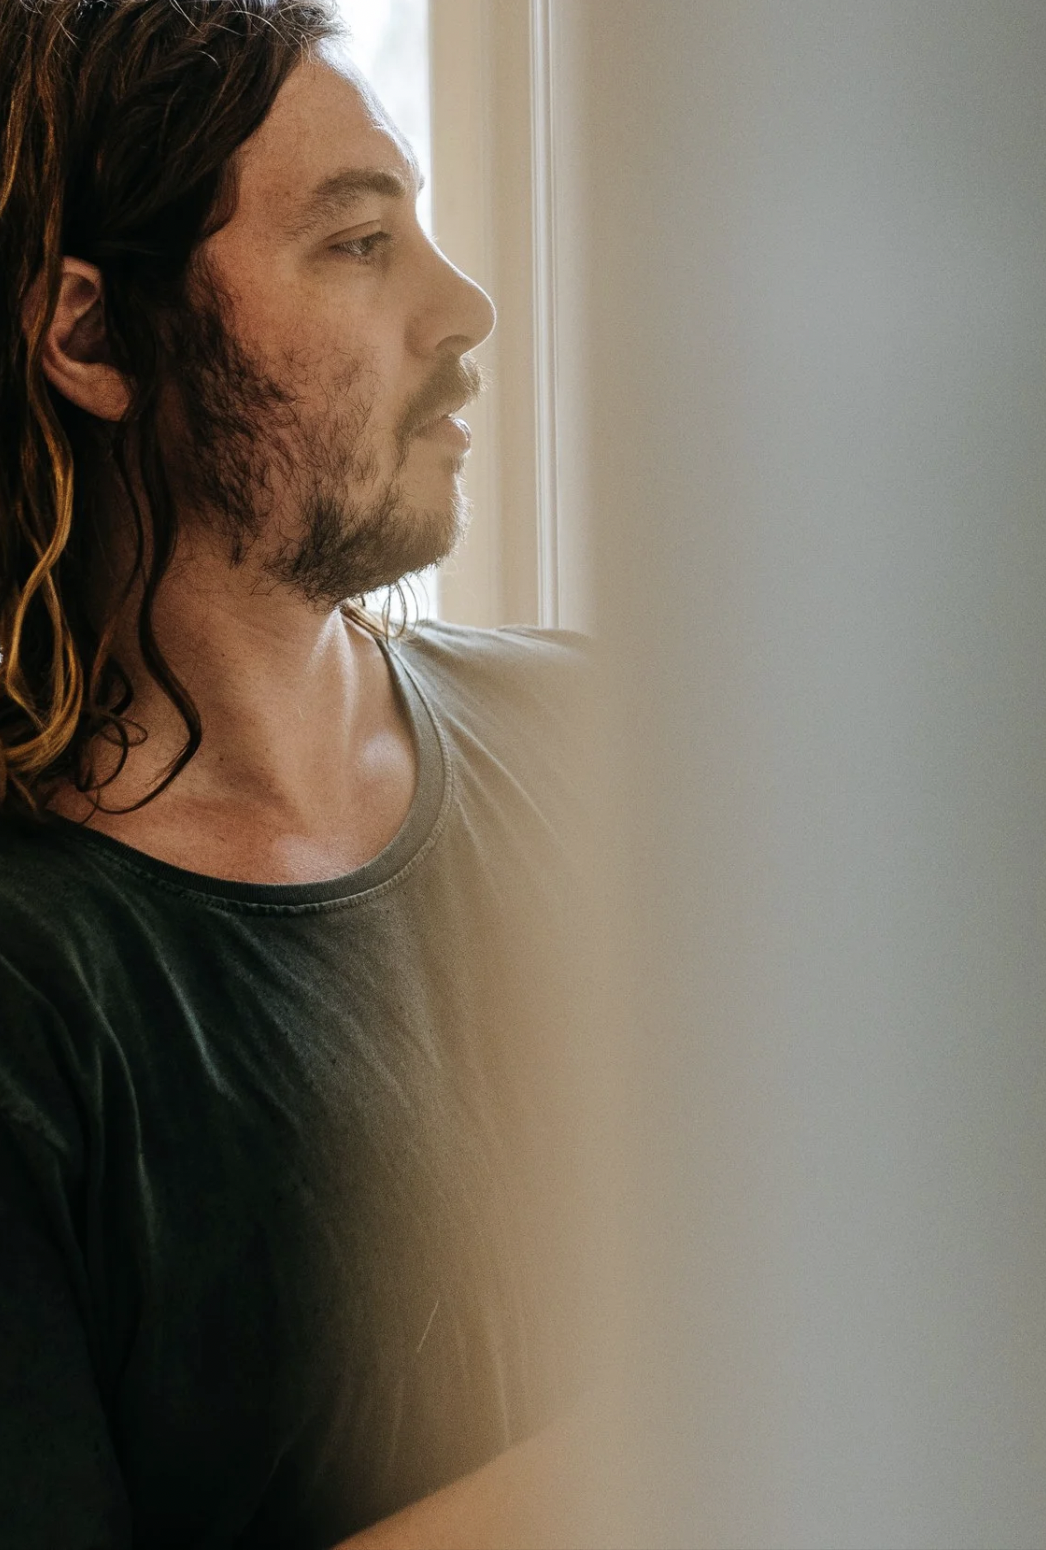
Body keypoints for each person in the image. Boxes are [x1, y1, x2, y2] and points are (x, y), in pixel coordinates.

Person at [0, 3, 592, 1543]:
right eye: (353, 243)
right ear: (92, 336)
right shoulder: (34, 987)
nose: (461, 307)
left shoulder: (617, 751)